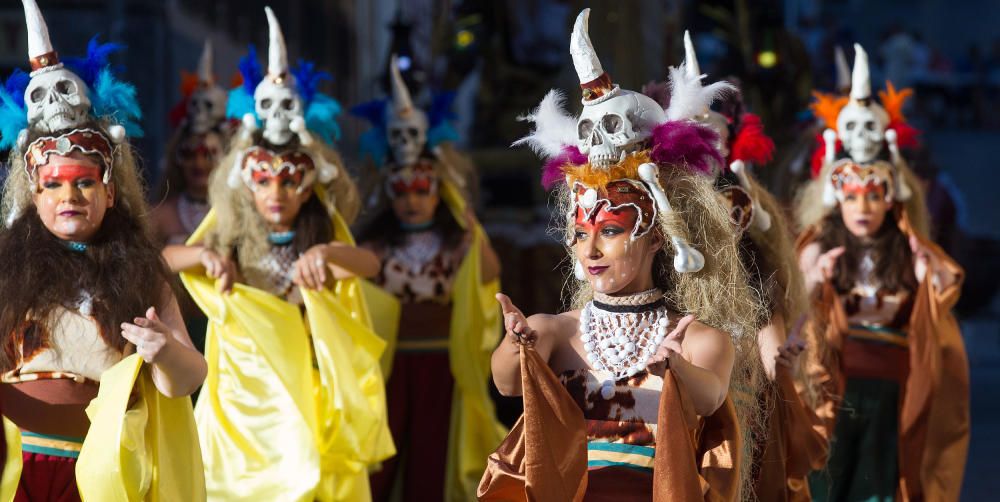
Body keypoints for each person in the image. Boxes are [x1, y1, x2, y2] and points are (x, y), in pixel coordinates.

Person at [479, 10, 764, 500]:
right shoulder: (555, 332)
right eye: (581, 231)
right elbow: (506, 384)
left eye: (611, 230)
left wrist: (676, 369)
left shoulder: (698, 339)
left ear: (658, 235)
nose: (590, 248)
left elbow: (711, 396)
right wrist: (516, 345)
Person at [168, 7, 393, 500]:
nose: (277, 193)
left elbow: (371, 265)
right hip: (239, 400)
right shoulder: (227, 232)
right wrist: (204, 258)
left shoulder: (321, 231)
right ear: (244, 182)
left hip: (303, 393)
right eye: (263, 180)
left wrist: (332, 252)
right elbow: (167, 259)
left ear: (310, 185)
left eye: (290, 180)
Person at [0, 1, 206, 499]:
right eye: (53, 184)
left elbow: (190, 376)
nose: (69, 196)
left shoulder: (138, 271)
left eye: (85, 182)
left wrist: (164, 352)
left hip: (101, 473)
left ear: (110, 190)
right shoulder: (5, 266)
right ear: (34, 192)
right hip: (12, 465)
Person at [796, 44, 969, 502]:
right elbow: (794, 301)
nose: (862, 207)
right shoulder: (818, 245)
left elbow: (941, 299)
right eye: (851, 195)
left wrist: (926, 273)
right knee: (829, 483)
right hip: (836, 391)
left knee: (881, 488)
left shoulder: (910, 248)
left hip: (892, 393)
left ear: (892, 198)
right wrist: (814, 282)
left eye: (873, 195)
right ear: (835, 195)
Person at [682, 32, 829, 500]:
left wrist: (776, 363)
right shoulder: (657, 211)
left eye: (713, 137)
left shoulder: (745, 209)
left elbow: (765, 304)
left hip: (741, 373)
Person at [354, 56, 502, 501]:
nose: (412, 199)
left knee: (431, 460)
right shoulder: (376, 247)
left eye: (423, 188)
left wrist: (470, 224)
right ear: (386, 194)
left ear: (439, 192)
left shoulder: (458, 242)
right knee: (382, 458)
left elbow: (490, 273)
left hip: (442, 365)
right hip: (390, 366)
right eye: (401, 190)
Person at [153, 39, 233, 355]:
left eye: (208, 153)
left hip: (232, 332)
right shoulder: (160, 214)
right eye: (190, 153)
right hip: (181, 331)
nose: (199, 163)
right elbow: (145, 263)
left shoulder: (241, 214)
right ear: (177, 158)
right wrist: (196, 255)